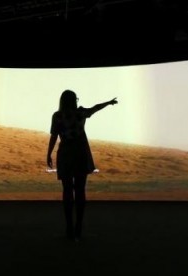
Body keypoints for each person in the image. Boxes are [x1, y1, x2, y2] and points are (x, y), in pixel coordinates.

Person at [47, 89, 118, 241]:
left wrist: (48, 154)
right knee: (80, 190)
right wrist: (109, 103)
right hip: (80, 153)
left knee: (67, 190)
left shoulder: (58, 116)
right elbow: (95, 108)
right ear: (74, 100)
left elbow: (54, 136)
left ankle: (69, 228)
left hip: (65, 153)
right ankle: (78, 227)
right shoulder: (80, 113)